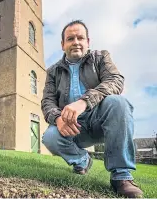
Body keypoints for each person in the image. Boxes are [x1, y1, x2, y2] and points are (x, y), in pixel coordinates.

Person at [41, 20, 143, 198]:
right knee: (49, 136)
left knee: (118, 103)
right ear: (62, 44)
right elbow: (47, 102)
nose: (76, 42)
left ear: (88, 41)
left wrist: (83, 102)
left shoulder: (100, 57)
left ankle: (121, 176)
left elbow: (116, 81)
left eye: (80, 38)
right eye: (70, 38)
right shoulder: (53, 71)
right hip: (73, 127)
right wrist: (57, 118)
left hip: (101, 121)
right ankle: (82, 160)